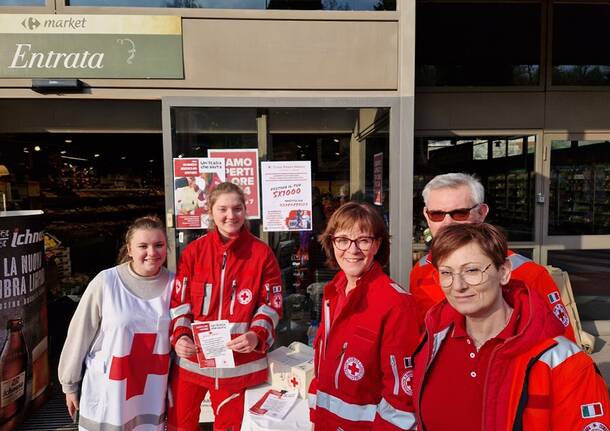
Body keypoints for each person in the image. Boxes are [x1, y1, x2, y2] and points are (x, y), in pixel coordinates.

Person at [412, 223, 609, 430]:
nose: (458, 285)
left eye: (471, 270)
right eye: (446, 273)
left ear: (504, 272)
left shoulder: (563, 361)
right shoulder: (433, 342)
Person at [167, 182, 282, 431]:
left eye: (237, 208)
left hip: (238, 367)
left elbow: (270, 304)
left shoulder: (262, 254)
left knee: (229, 427)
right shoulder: (193, 252)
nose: (231, 215)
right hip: (192, 363)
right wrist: (180, 336)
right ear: (210, 211)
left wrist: (256, 335)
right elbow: (180, 303)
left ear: (245, 211)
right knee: (179, 425)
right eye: (223, 209)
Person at [410, 173, 576, 340]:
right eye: (437, 214)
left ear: (481, 213)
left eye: (460, 213)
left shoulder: (530, 274)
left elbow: (562, 347)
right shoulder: (421, 270)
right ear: (426, 215)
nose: (447, 224)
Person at [308, 202, 420, 431]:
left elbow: (401, 398)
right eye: (343, 240)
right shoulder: (333, 292)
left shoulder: (396, 304)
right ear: (331, 243)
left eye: (363, 240)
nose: (352, 249)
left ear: (377, 245)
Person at [58, 215, 173, 430]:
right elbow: (79, 334)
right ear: (129, 249)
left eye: (159, 245)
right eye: (143, 246)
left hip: (152, 393)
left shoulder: (176, 284)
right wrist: (69, 384)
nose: (152, 252)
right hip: (109, 390)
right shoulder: (106, 282)